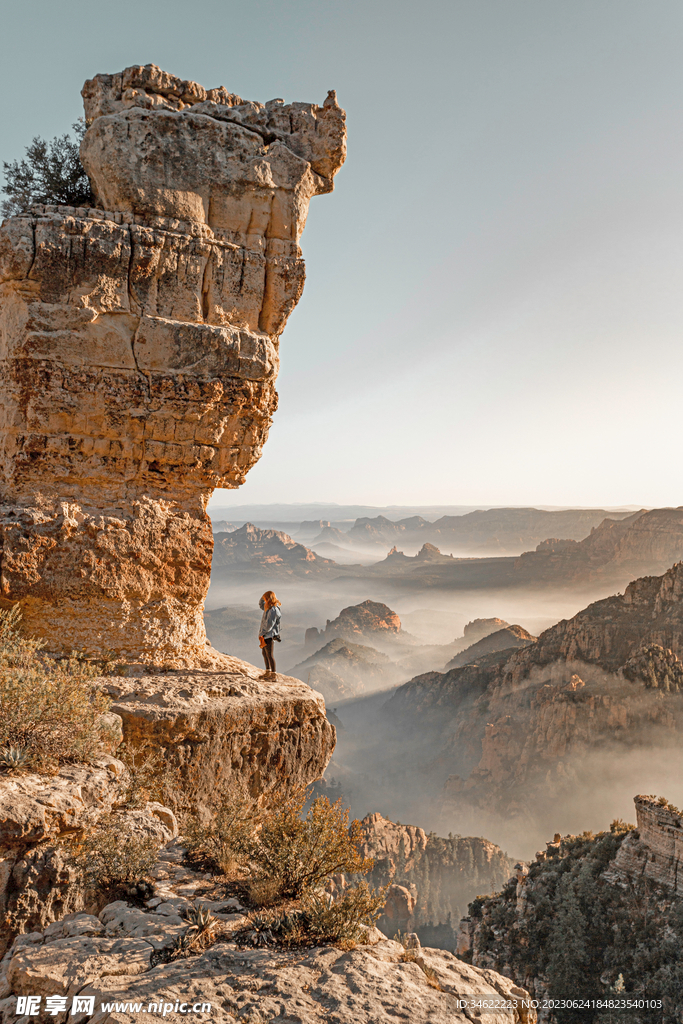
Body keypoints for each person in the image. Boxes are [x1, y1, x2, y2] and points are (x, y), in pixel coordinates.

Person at [258, 590, 282, 680]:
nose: (264, 600)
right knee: (265, 653)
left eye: (265, 598)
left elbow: (269, 625)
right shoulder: (268, 607)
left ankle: (273, 675)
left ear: (268, 599)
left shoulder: (272, 610)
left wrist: (262, 633)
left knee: (270, 655)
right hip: (265, 635)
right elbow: (261, 604)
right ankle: (268, 672)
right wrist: (262, 597)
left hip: (269, 635)